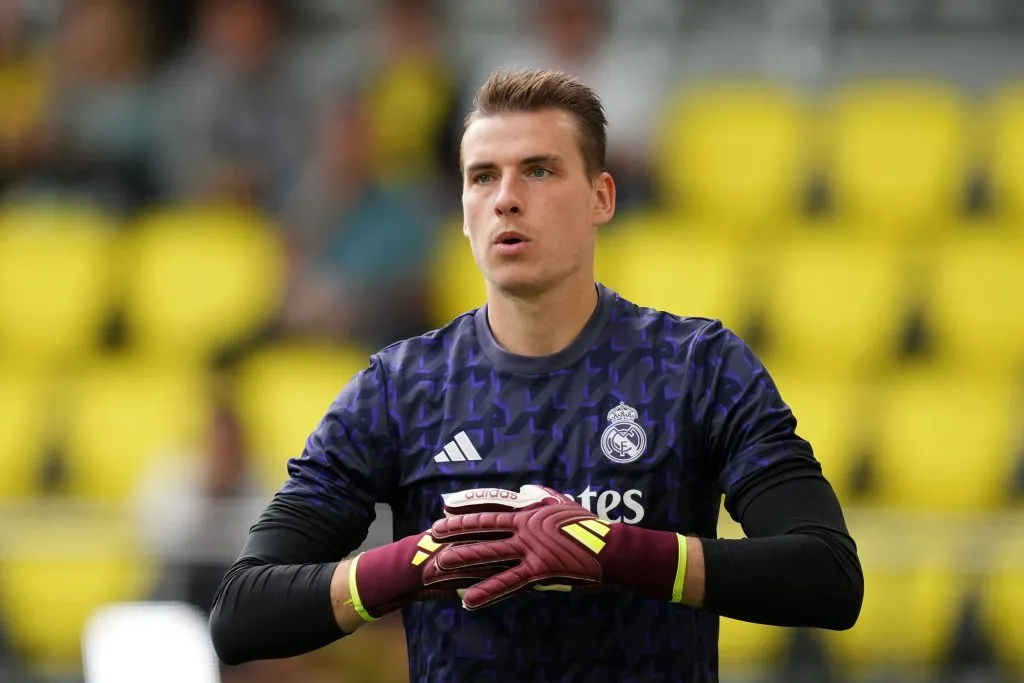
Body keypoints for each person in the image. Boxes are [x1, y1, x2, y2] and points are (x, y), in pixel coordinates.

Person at [209, 67, 864, 682]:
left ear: (600, 197)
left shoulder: (696, 366)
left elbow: (828, 575)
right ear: (462, 210)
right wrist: (414, 563)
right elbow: (241, 611)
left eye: (540, 171)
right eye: (482, 177)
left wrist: (612, 552)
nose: (506, 200)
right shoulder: (401, 388)